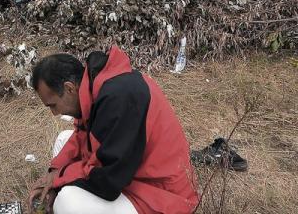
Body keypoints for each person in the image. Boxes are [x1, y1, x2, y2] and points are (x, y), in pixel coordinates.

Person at [27, 46, 198, 214]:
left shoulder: (119, 99)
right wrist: (54, 172)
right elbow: (81, 136)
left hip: (161, 195)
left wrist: (60, 179)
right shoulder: (94, 87)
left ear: (69, 88)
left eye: (53, 105)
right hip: (132, 176)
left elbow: (107, 183)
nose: (54, 113)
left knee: (68, 202)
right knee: (63, 138)